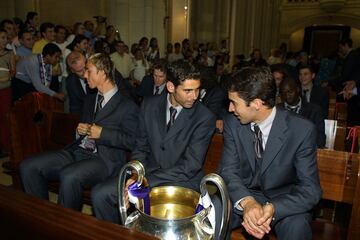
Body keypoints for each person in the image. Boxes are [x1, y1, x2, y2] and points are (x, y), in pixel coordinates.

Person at [91, 60, 216, 224]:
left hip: (182, 180)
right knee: (100, 194)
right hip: (148, 171)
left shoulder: (204, 117)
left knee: (159, 207)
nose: (195, 96)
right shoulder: (149, 105)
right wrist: (136, 174)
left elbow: (190, 165)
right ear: (171, 87)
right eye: (188, 90)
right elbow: (140, 147)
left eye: (197, 89)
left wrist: (144, 181)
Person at [19, 53, 139, 211]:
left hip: (104, 160)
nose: (84, 75)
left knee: (69, 176)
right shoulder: (90, 100)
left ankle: (66, 225)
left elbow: (133, 141)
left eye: (88, 71)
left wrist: (103, 133)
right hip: (77, 152)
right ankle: (41, 217)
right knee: (28, 166)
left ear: (102, 72)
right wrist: (79, 130)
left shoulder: (127, 105)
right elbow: (82, 132)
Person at [219, 67, 322, 239]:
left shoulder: (301, 130)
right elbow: (228, 172)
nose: (230, 109)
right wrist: (247, 202)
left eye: (234, 102)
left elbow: (311, 190)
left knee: (297, 228)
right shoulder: (233, 124)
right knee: (212, 214)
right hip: (244, 194)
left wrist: (273, 208)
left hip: (283, 201)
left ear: (257, 104)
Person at [278, 77, 326, 148]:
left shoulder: (314, 110)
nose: (287, 96)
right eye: (283, 93)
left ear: (297, 89)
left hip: (305, 153)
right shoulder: (277, 110)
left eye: (290, 92)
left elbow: (320, 140)